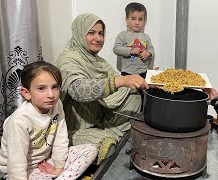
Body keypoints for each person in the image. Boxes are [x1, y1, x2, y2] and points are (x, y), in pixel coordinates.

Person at [55, 13, 149, 165]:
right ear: (79, 33)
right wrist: (121, 80)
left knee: (133, 96)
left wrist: (146, 80)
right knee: (107, 146)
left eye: (101, 33)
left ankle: (110, 134)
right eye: (91, 33)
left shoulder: (97, 60)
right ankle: (107, 138)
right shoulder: (68, 59)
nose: (98, 38)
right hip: (77, 129)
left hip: (100, 120)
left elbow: (121, 87)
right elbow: (78, 89)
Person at [0, 61, 97, 180]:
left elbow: (60, 137)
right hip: (19, 172)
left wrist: (58, 168)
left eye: (55, 87)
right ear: (26, 93)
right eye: (41, 88)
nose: (51, 94)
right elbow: (16, 162)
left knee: (90, 150)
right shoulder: (19, 121)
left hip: (46, 161)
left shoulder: (57, 104)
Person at [113, 2, 155, 78]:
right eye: (133, 19)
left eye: (140, 19)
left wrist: (148, 53)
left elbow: (151, 49)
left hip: (143, 72)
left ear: (144, 21)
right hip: (127, 72)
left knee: (144, 89)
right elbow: (116, 49)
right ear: (126, 19)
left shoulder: (146, 37)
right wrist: (130, 51)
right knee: (127, 89)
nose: (137, 22)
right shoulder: (123, 35)